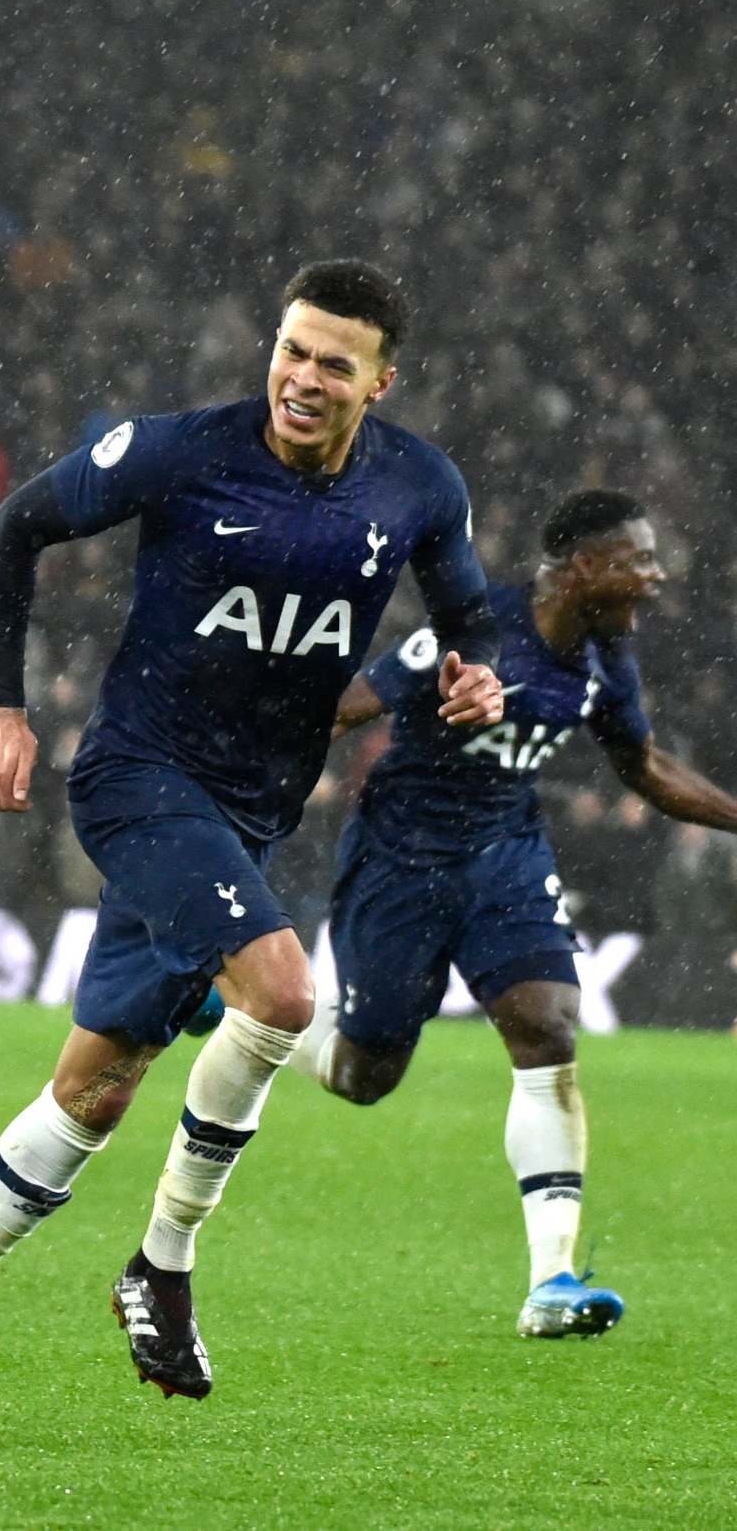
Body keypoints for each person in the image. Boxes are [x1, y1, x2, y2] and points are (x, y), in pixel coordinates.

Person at [0, 259, 504, 1420]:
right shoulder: (181, 451)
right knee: (283, 995)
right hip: (139, 781)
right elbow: (19, 528)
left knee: (92, 1093)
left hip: (250, 812)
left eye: (332, 365)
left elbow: (467, 613)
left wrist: (476, 677)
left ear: (380, 382)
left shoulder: (417, 485)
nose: (301, 378)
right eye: (291, 350)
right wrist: (4, 708)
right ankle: (162, 1264)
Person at [300, 488, 737, 1338]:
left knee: (548, 1026)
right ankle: (276, 1017)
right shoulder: (478, 628)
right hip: (401, 861)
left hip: (507, 856)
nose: (653, 578)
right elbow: (350, 705)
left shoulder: (606, 658)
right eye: (637, 561)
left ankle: (553, 1283)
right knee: (366, 1076)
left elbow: (643, 765)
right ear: (582, 569)